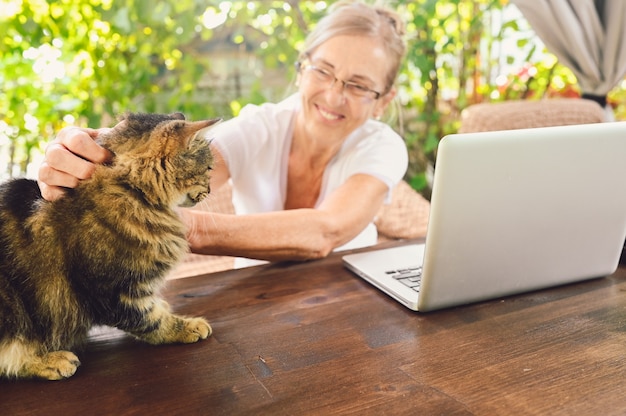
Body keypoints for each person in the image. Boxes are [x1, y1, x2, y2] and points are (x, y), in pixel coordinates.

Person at [38, 0, 409, 268]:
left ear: (382, 101)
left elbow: (325, 231)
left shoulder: (383, 146)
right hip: (253, 300)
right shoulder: (261, 126)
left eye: (359, 86)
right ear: (301, 68)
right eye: (323, 71)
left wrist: (174, 225)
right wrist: (97, 157)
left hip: (351, 297)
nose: (334, 95)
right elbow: (176, 168)